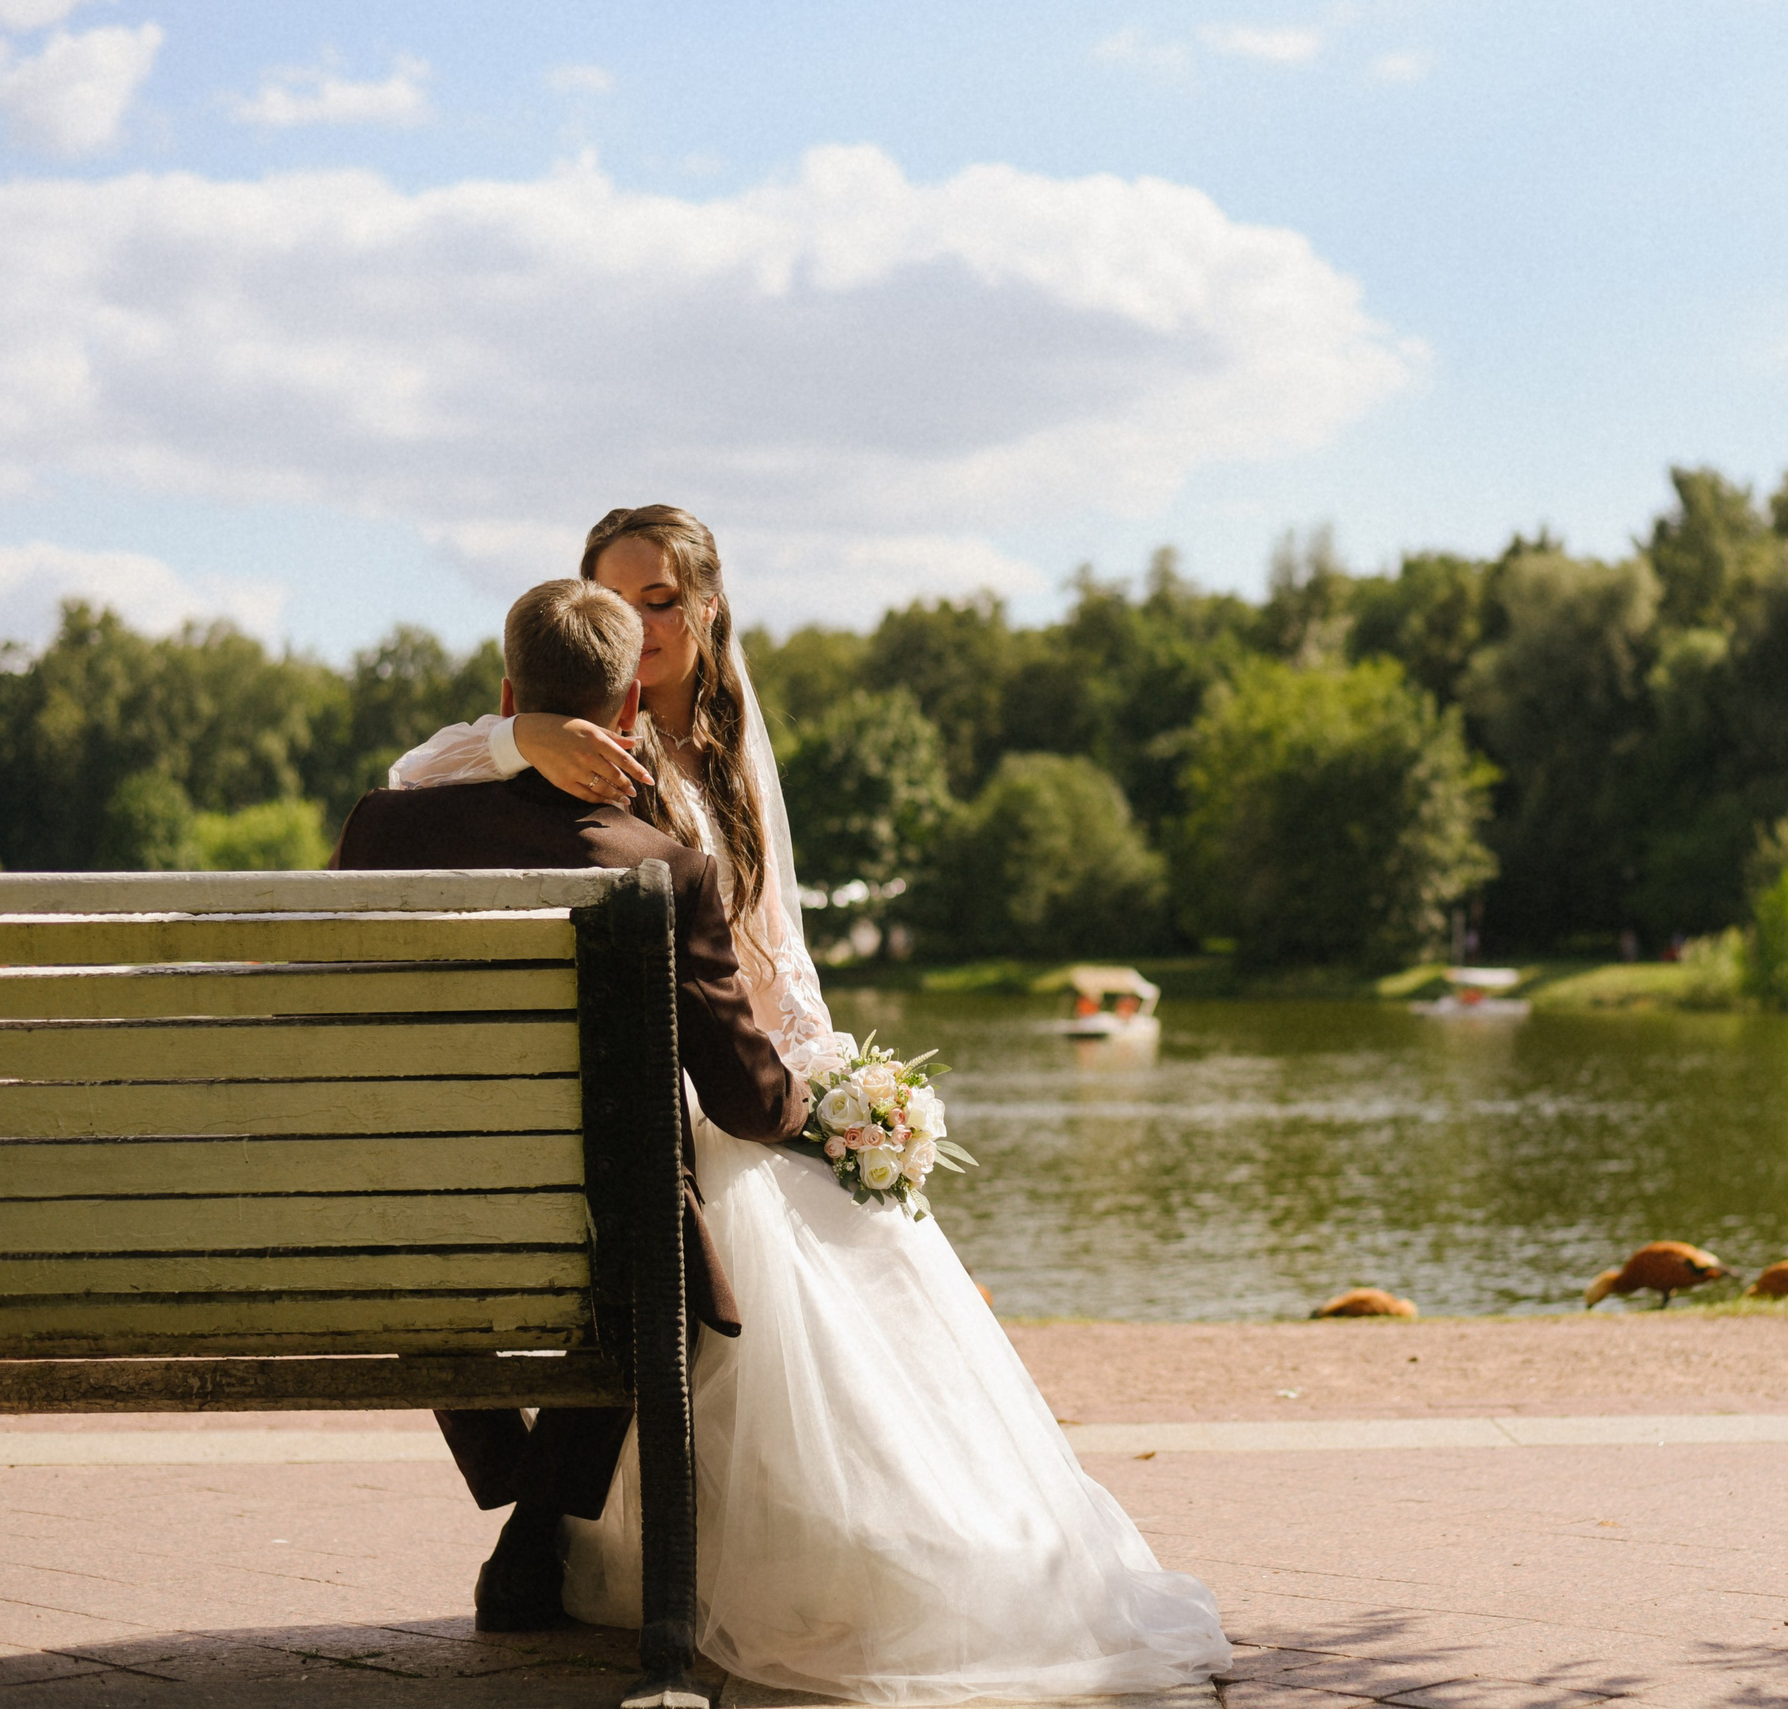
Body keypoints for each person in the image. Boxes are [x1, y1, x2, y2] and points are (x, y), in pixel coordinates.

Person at [389, 506, 1232, 1704]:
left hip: (692, 1077)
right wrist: (525, 731)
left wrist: (832, 1092)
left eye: (663, 598)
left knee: (784, 1207)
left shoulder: (727, 757)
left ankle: (780, 1539)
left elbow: (766, 953)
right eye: (614, 599)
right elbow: (417, 781)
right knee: (701, 1214)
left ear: (709, 606)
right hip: (651, 1105)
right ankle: (606, 1546)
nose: (641, 622)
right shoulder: (530, 746)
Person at [332, 577, 812, 1631]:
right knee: (668, 1278)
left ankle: (512, 1476)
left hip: (401, 1213)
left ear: (510, 696)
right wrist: (815, 1104)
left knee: (422, 1243)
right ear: (630, 709)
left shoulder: (379, 828)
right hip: (593, 1224)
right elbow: (742, 1097)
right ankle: (540, 1516)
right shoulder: (662, 869)